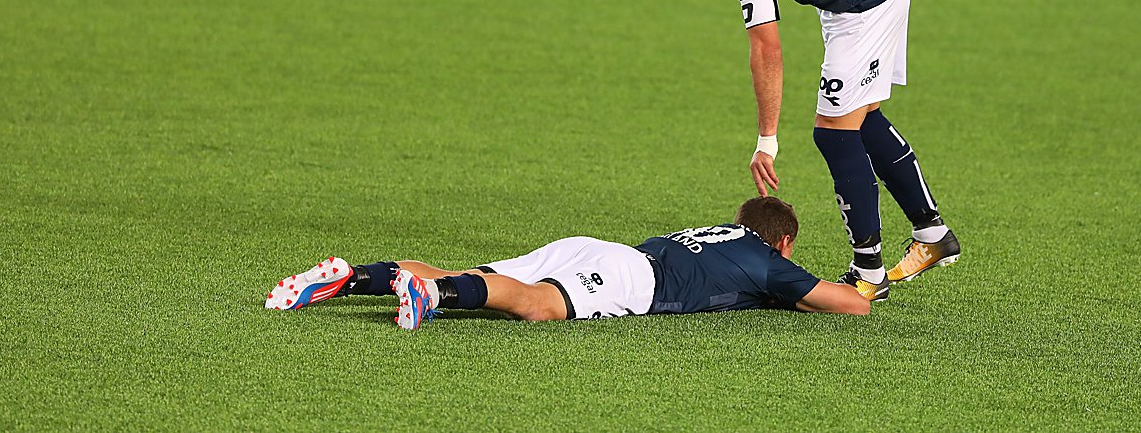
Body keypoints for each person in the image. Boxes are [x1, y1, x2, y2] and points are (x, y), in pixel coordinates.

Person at [617, 0, 960, 302]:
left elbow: (767, 47)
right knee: (861, 116)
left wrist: (767, 139)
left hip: (864, 2)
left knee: (834, 134)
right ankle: (932, 232)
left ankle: (868, 272)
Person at [264, 196, 870, 328]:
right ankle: (433, 299)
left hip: (596, 249)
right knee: (537, 307)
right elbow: (845, 301)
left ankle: (348, 279)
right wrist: (874, 280)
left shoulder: (721, 235)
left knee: (475, 272)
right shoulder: (766, 258)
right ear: (782, 242)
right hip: (631, 278)